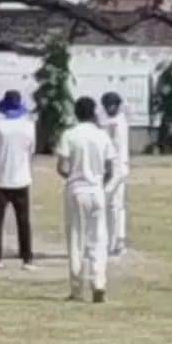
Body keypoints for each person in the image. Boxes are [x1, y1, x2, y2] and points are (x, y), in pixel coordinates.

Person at [57, 97, 117, 303]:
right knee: (99, 239)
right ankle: (99, 283)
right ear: (93, 112)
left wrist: (74, 177)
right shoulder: (102, 136)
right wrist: (99, 182)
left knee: (76, 239)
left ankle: (76, 288)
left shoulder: (69, 134)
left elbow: (61, 167)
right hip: (97, 191)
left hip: (76, 190)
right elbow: (110, 169)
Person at [0, 90, 35, 271]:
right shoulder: (29, 126)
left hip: (2, 178)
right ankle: (27, 259)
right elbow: (31, 150)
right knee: (24, 221)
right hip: (22, 178)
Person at [100, 91, 130, 256]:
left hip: (117, 168)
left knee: (113, 206)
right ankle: (115, 241)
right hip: (110, 168)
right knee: (114, 206)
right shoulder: (108, 122)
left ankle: (116, 242)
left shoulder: (118, 122)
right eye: (107, 105)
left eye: (112, 105)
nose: (109, 108)